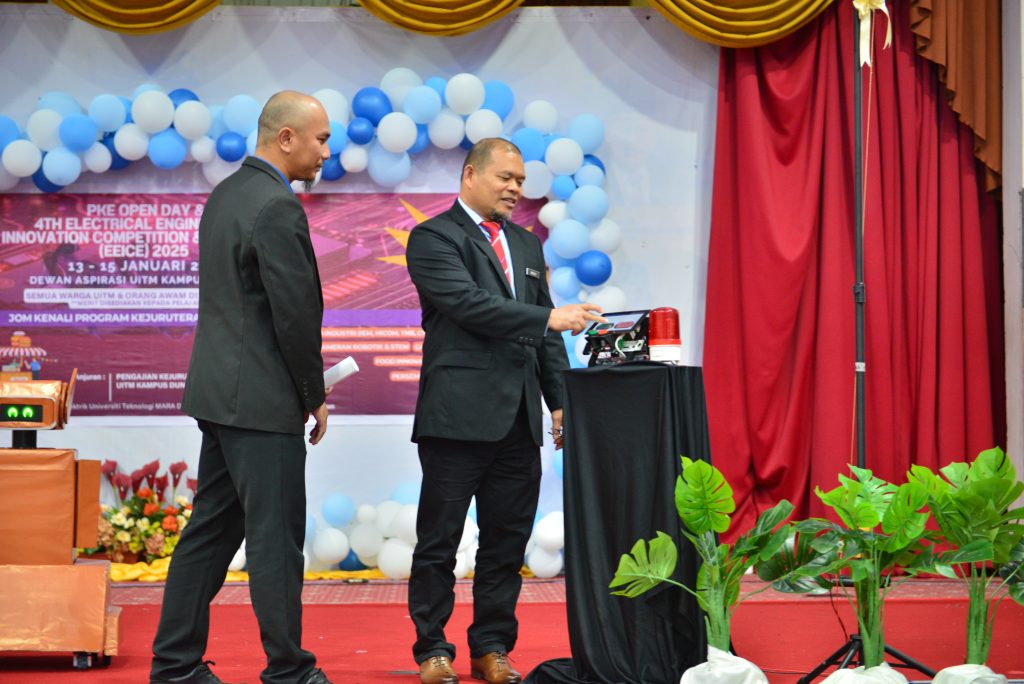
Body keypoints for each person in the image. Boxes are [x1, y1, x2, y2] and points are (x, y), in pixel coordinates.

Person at [405, 138, 606, 684]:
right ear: (470, 175)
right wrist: (547, 319)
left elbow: (542, 335)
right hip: (455, 417)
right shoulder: (433, 238)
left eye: (520, 180)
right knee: (439, 542)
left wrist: (559, 401)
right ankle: (432, 649)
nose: (516, 189)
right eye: (506, 178)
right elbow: (469, 305)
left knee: (505, 543)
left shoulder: (524, 242)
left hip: (518, 421)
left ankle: (492, 646)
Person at [150, 91, 333, 684]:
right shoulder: (277, 205)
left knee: (209, 533)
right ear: (285, 138)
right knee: (276, 543)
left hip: (222, 397)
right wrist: (314, 392)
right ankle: (289, 671)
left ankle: (175, 666)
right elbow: (295, 313)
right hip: (261, 402)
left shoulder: (227, 193)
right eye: (320, 139)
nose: (326, 151)